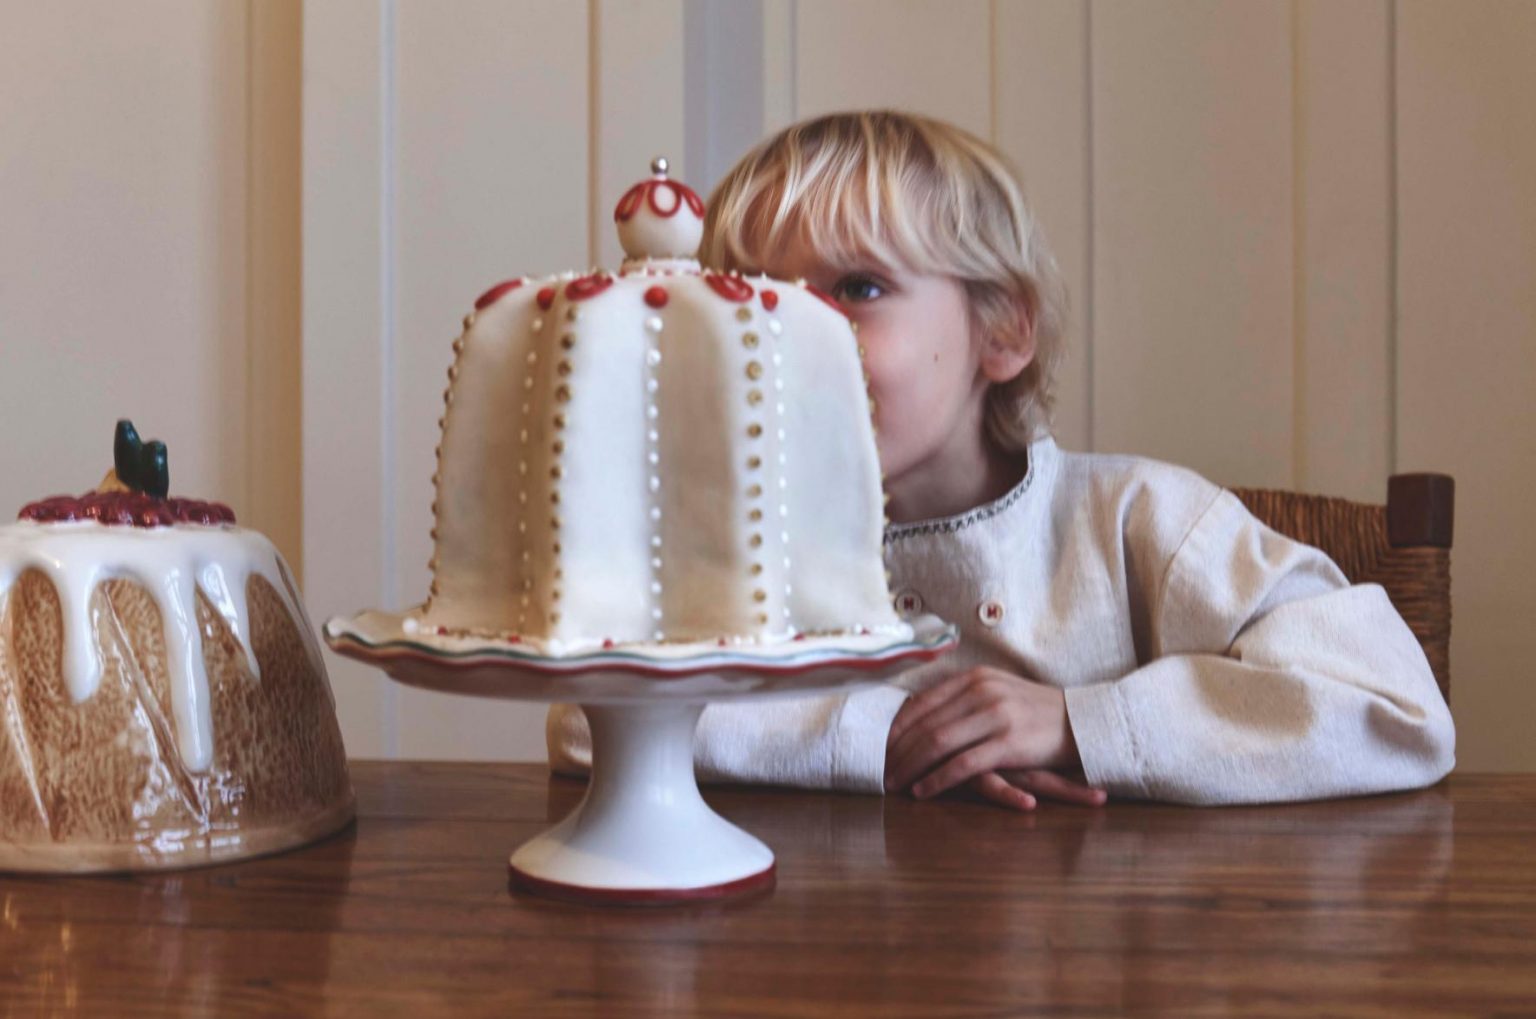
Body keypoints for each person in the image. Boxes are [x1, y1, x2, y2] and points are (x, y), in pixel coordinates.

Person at [547, 110, 1455, 809]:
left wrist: (1078, 721)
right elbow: (587, 721)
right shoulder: (739, 541)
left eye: (858, 287)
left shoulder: (1142, 524)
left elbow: (1396, 708)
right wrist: (875, 732)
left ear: (1003, 329)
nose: (793, 333)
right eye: (758, 295)